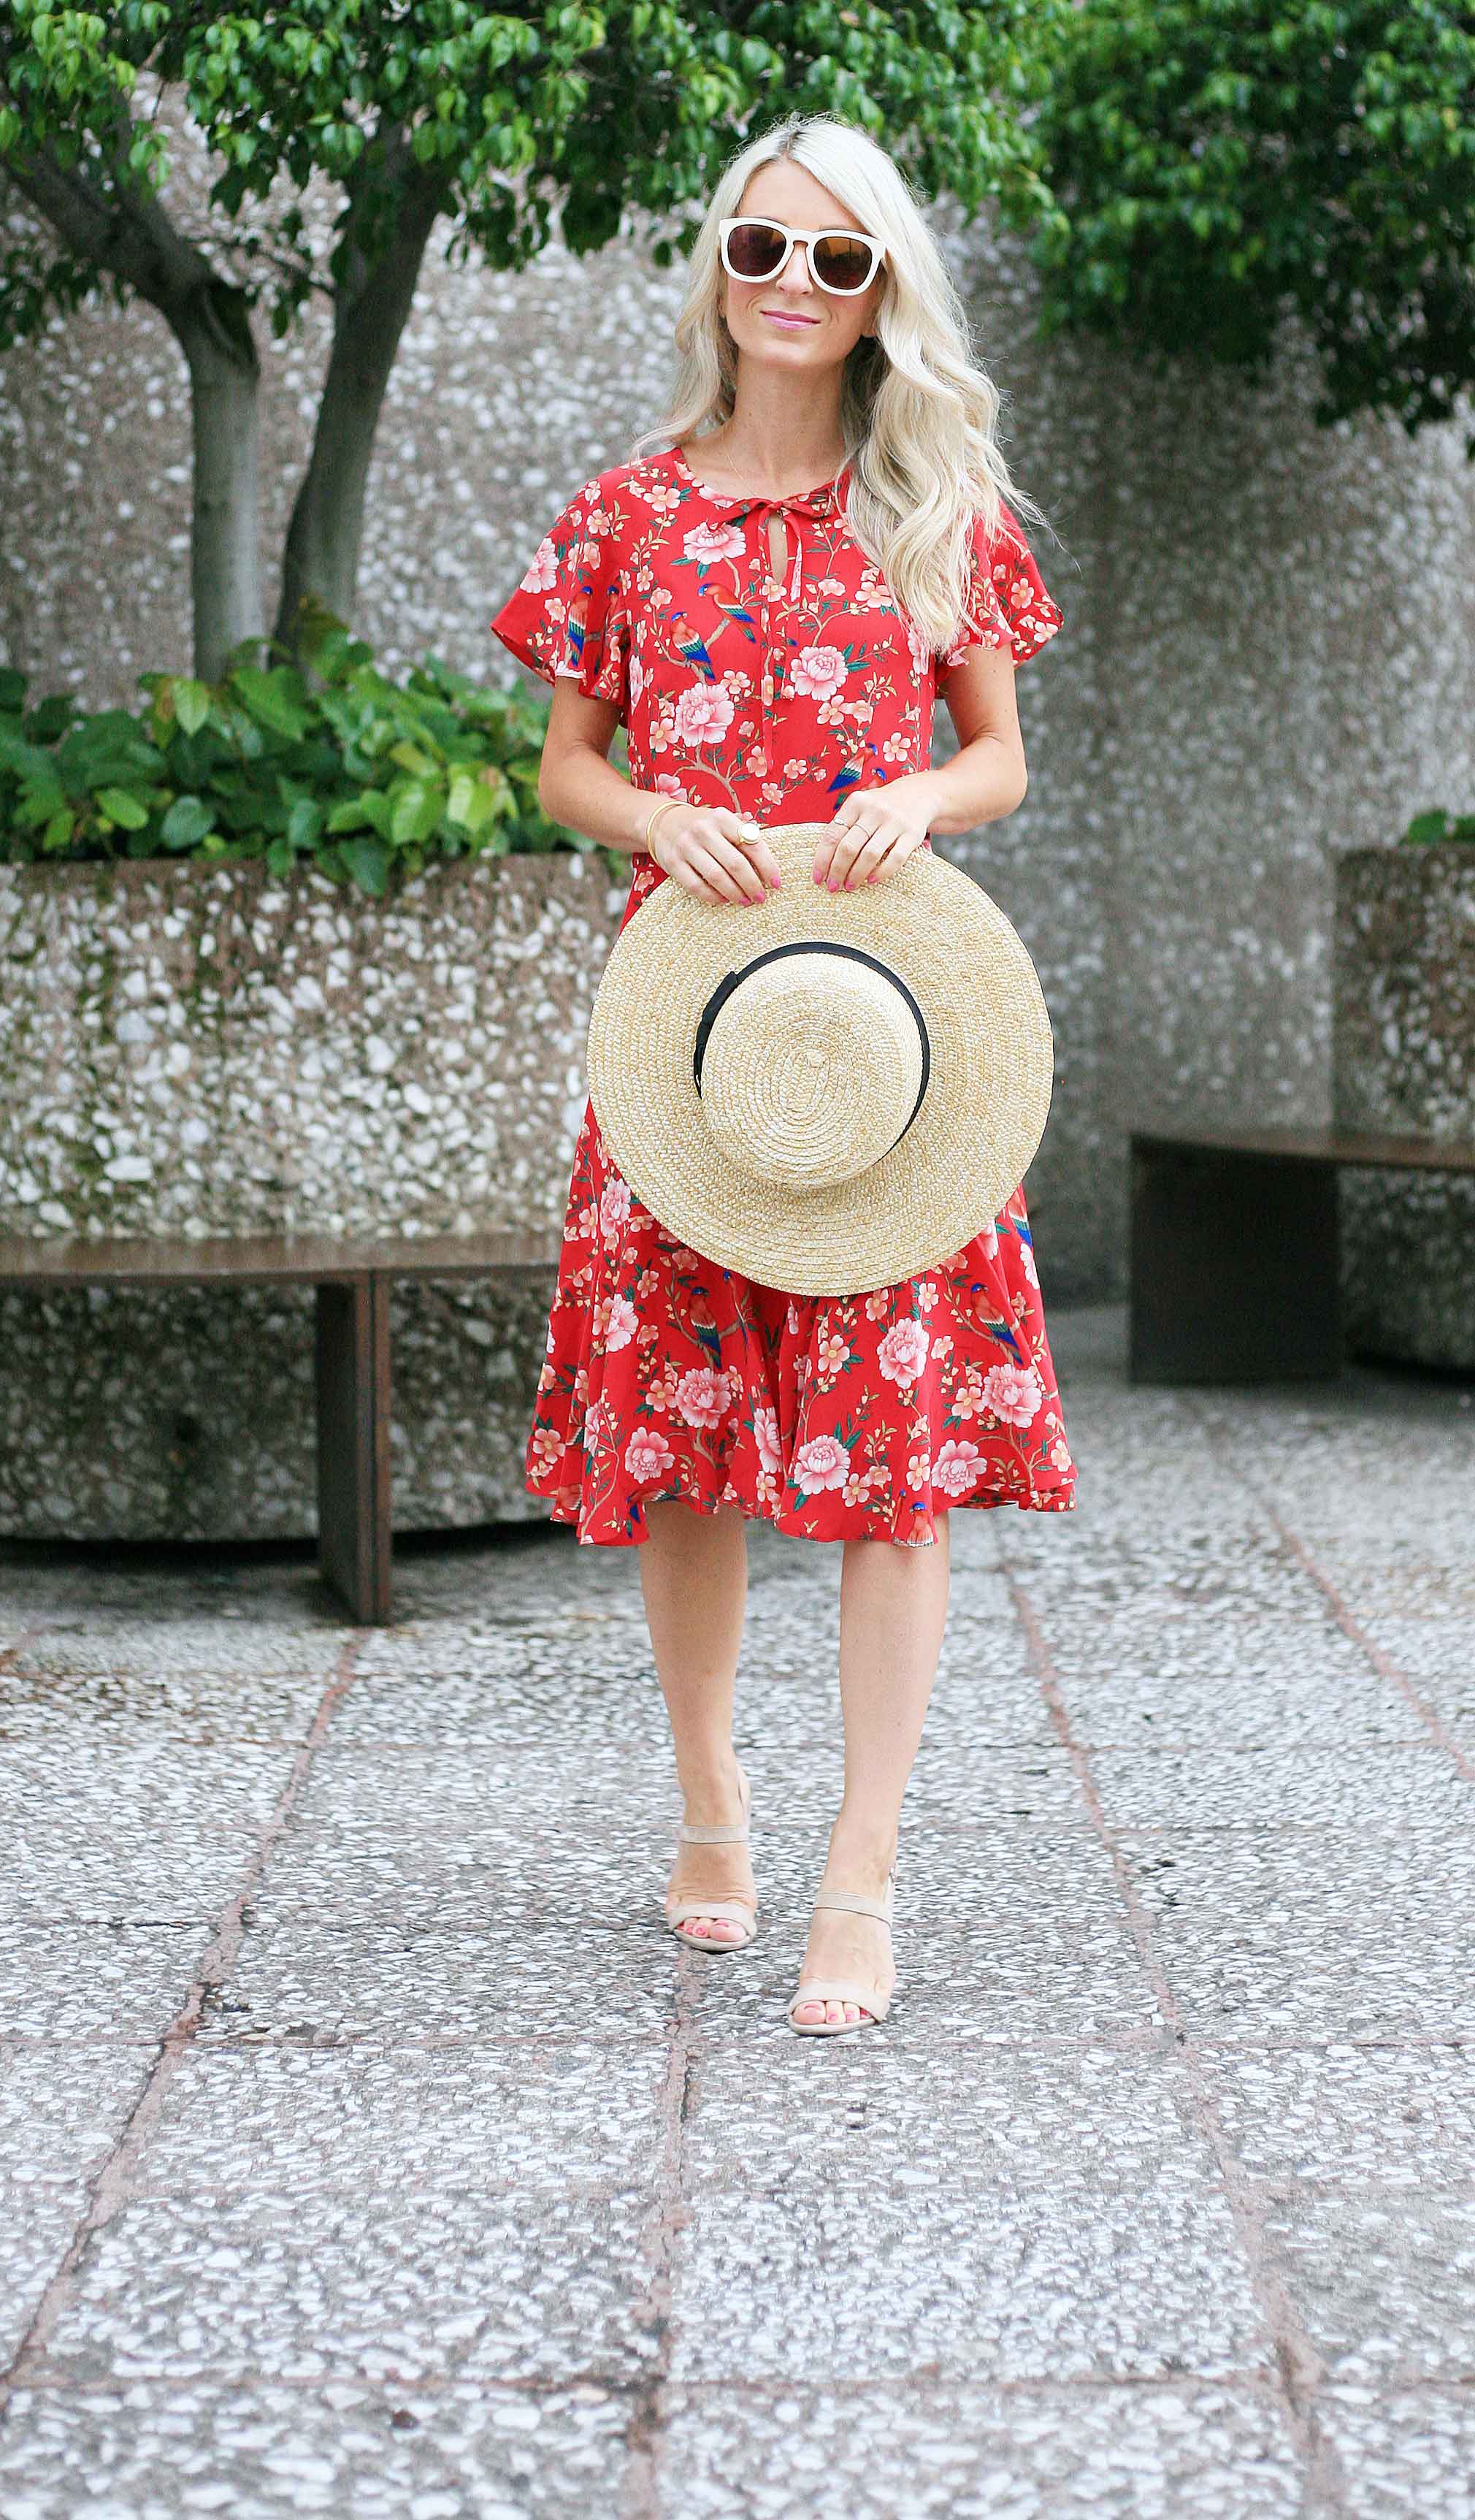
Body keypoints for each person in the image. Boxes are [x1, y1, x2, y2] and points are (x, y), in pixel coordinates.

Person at [489, 111, 1075, 2037]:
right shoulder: (621, 515)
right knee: (681, 1450)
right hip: (687, 1038)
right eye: (765, 250)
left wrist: (916, 786)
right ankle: (709, 1806)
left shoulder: (937, 507)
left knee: (891, 1462)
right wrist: (658, 810)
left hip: (889, 1038)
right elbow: (564, 768)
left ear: (883, 287)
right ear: (714, 270)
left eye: (841, 260)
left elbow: (995, 755)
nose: (798, 290)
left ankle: (863, 1869)